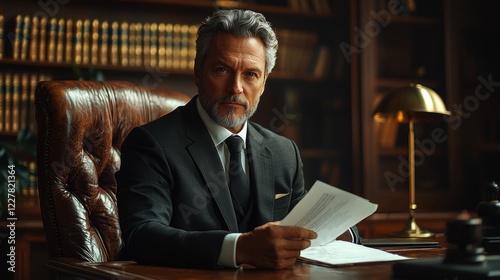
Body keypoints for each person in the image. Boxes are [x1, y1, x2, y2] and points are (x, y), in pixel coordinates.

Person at [116, 9, 320, 270]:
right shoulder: (151, 144)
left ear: (264, 82)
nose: (236, 87)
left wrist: (338, 232)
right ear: (198, 73)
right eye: (222, 70)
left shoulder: (284, 152)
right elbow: (142, 236)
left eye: (250, 74)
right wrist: (238, 248)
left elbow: (310, 224)